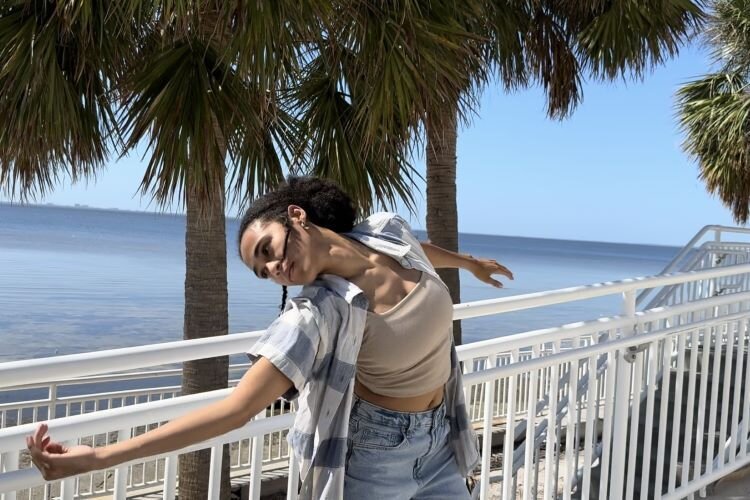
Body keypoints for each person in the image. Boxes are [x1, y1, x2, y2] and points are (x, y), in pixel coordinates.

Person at [27, 176, 513, 499]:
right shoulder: (316, 313)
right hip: (375, 456)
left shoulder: (386, 232)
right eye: (264, 272)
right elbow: (235, 409)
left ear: (296, 216)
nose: (275, 269)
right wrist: (101, 457)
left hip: (444, 438)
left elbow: (416, 249)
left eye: (268, 250)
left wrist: (468, 263)